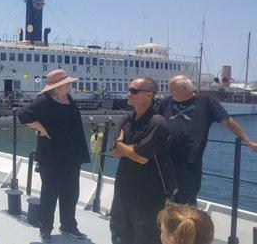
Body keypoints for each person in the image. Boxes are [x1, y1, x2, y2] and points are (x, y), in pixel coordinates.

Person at [158, 75, 257, 205]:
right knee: (163, 196)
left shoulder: (205, 101)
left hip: (189, 161)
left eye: (171, 88)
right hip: (165, 159)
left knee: (185, 200)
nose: (169, 91)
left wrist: (247, 141)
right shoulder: (167, 102)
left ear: (184, 88)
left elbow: (228, 122)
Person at [17, 69, 90, 243]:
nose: (71, 85)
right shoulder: (44, 101)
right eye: (68, 83)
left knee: (71, 193)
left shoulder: (69, 99)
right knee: (50, 194)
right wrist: (41, 128)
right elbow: (23, 114)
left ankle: (68, 225)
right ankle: (45, 228)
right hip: (52, 156)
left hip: (73, 154)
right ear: (59, 86)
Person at [110, 77, 176, 244]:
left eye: (134, 91)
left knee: (146, 238)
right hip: (123, 192)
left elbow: (140, 158)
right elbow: (113, 153)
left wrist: (120, 143)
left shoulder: (157, 123)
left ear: (149, 95)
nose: (128, 93)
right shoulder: (126, 121)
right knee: (119, 235)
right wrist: (130, 150)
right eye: (129, 89)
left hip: (147, 196)